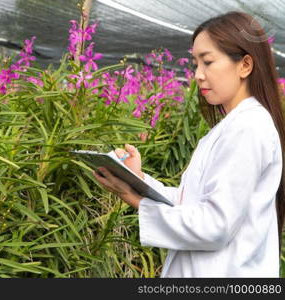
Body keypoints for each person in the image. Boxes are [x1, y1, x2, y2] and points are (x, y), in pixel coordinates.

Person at [92, 11, 285, 277]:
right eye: (196, 63)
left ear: (245, 65)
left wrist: (135, 199)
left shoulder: (248, 128)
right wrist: (138, 180)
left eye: (208, 62)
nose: (198, 75)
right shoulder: (234, 125)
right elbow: (193, 203)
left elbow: (215, 225)